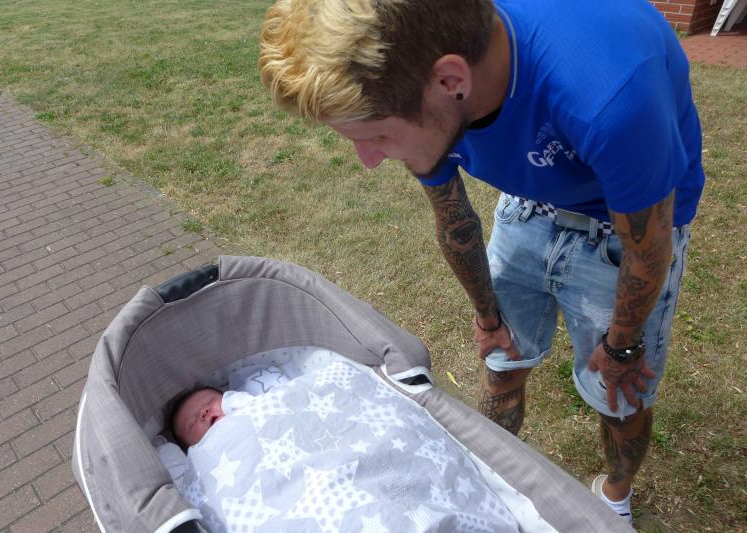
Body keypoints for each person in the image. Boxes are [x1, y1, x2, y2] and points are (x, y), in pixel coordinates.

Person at [257, 0, 705, 524]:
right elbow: (454, 218)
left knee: (620, 396)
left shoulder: (609, 96)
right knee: (502, 362)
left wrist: (622, 344)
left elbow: (647, 248)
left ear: (451, 80)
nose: (370, 159)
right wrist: (489, 319)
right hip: (531, 203)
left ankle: (614, 497)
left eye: (376, 135)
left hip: (627, 229)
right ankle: (486, 486)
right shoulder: (425, 77)